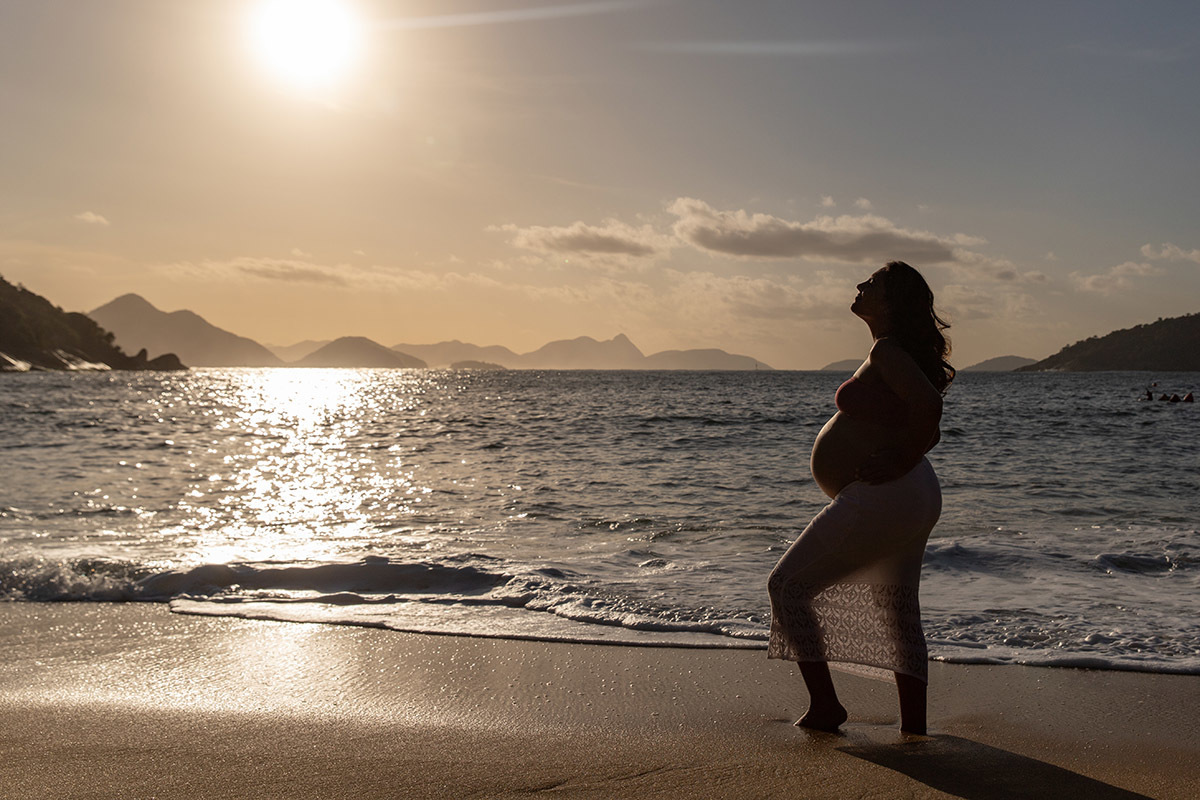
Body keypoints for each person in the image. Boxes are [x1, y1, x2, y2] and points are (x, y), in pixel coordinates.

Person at [768, 260, 953, 736]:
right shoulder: (889, 353)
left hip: (892, 494)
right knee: (898, 609)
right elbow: (926, 424)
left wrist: (899, 460)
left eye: (870, 283)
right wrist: (908, 455)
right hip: (910, 495)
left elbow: (930, 410)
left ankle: (827, 707)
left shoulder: (889, 350)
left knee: (787, 586)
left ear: (890, 301)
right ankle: (914, 729)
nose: (859, 285)